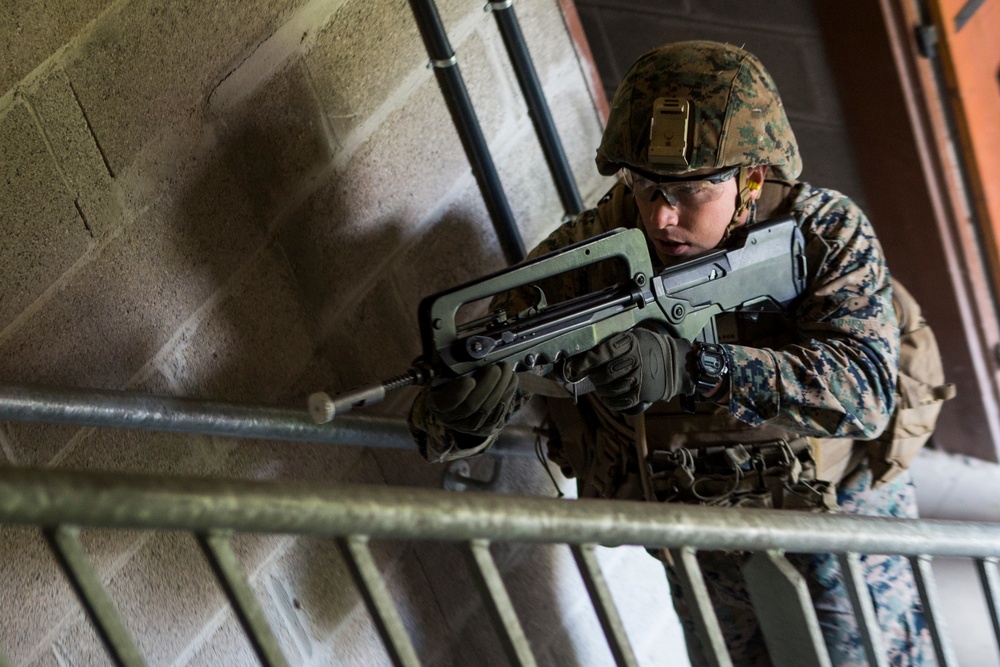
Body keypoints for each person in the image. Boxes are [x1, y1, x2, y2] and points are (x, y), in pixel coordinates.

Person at [409, 41, 934, 665]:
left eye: (690, 192)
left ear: (751, 180)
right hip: (698, 538)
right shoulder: (590, 254)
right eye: (645, 185)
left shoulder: (823, 233)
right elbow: (485, 363)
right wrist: (458, 416)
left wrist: (695, 368)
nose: (661, 217)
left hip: (837, 518)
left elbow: (865, 394)